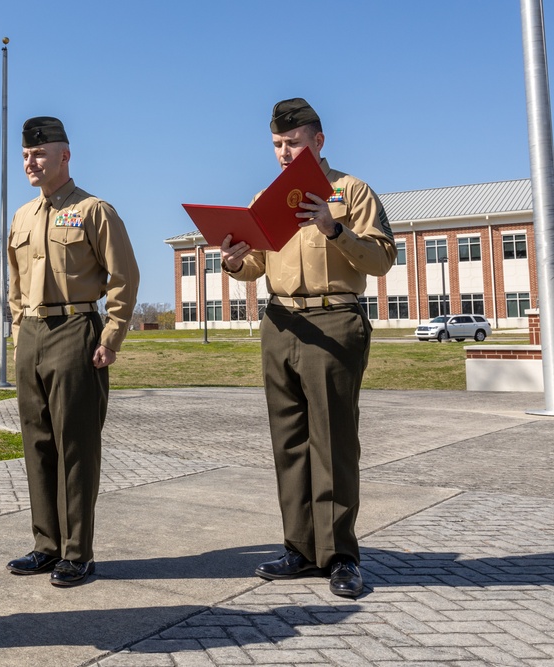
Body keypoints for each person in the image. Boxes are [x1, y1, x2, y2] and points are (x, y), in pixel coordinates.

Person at [221, 98, 396, 598]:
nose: (283, 152)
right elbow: (256, 263)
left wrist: (333, 227)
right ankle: (299, 549)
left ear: (318, 142)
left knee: (333, 441)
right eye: (277, 144)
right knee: (290, 442)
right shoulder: (266, 197)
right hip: (279, 323)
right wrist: (234, 262)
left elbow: (382, 259)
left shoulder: (350, 190)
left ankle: (340, 555)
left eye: (292, 143)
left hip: (334, 320)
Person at [6, 117, 140, 587]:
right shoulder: (22, 217)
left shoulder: (94, 210)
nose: (30, 162)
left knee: (76, 447)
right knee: (37, 444)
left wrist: (111, 337)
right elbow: (16, 284)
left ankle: (77, 552)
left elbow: (124, 277)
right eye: (26, 155)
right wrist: (20, 327)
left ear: (65, 156)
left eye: (40, 154)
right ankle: (46, 545)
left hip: (76, 329)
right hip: (33, 335)